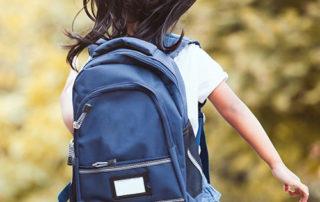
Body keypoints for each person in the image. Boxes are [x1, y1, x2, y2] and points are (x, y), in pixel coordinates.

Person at [60, 0, 309, 201]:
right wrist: (277, 165)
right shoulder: (189, 55)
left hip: (106, 192)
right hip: (182, 192)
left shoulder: (95, 62)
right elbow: (234, 109)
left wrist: (74, 78)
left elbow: (75, 123)